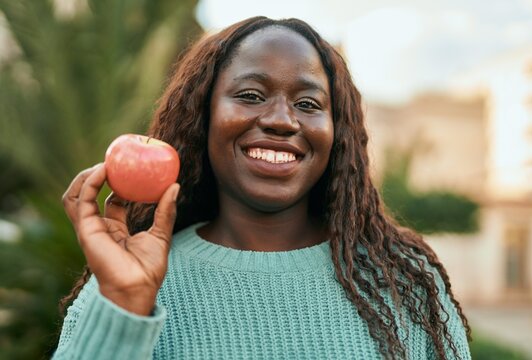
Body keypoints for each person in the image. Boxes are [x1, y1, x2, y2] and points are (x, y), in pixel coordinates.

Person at [54, 16, 471, 360]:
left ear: (337, 133)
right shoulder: (132, 281)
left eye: (308, 104)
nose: (282, 120)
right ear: (205, 116)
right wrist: (124, 302)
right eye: (251, 95)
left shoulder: (403, 282)